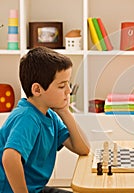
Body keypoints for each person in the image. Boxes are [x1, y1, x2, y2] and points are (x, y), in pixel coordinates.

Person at [0, 46, 90, 193]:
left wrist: (65, 112)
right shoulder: (27, 117)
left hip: (36, 189)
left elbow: (83, 149)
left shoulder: (50, 115)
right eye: (62, 86)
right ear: (37, 90)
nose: (68, 90)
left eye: (68, 84)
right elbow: (9, 158)